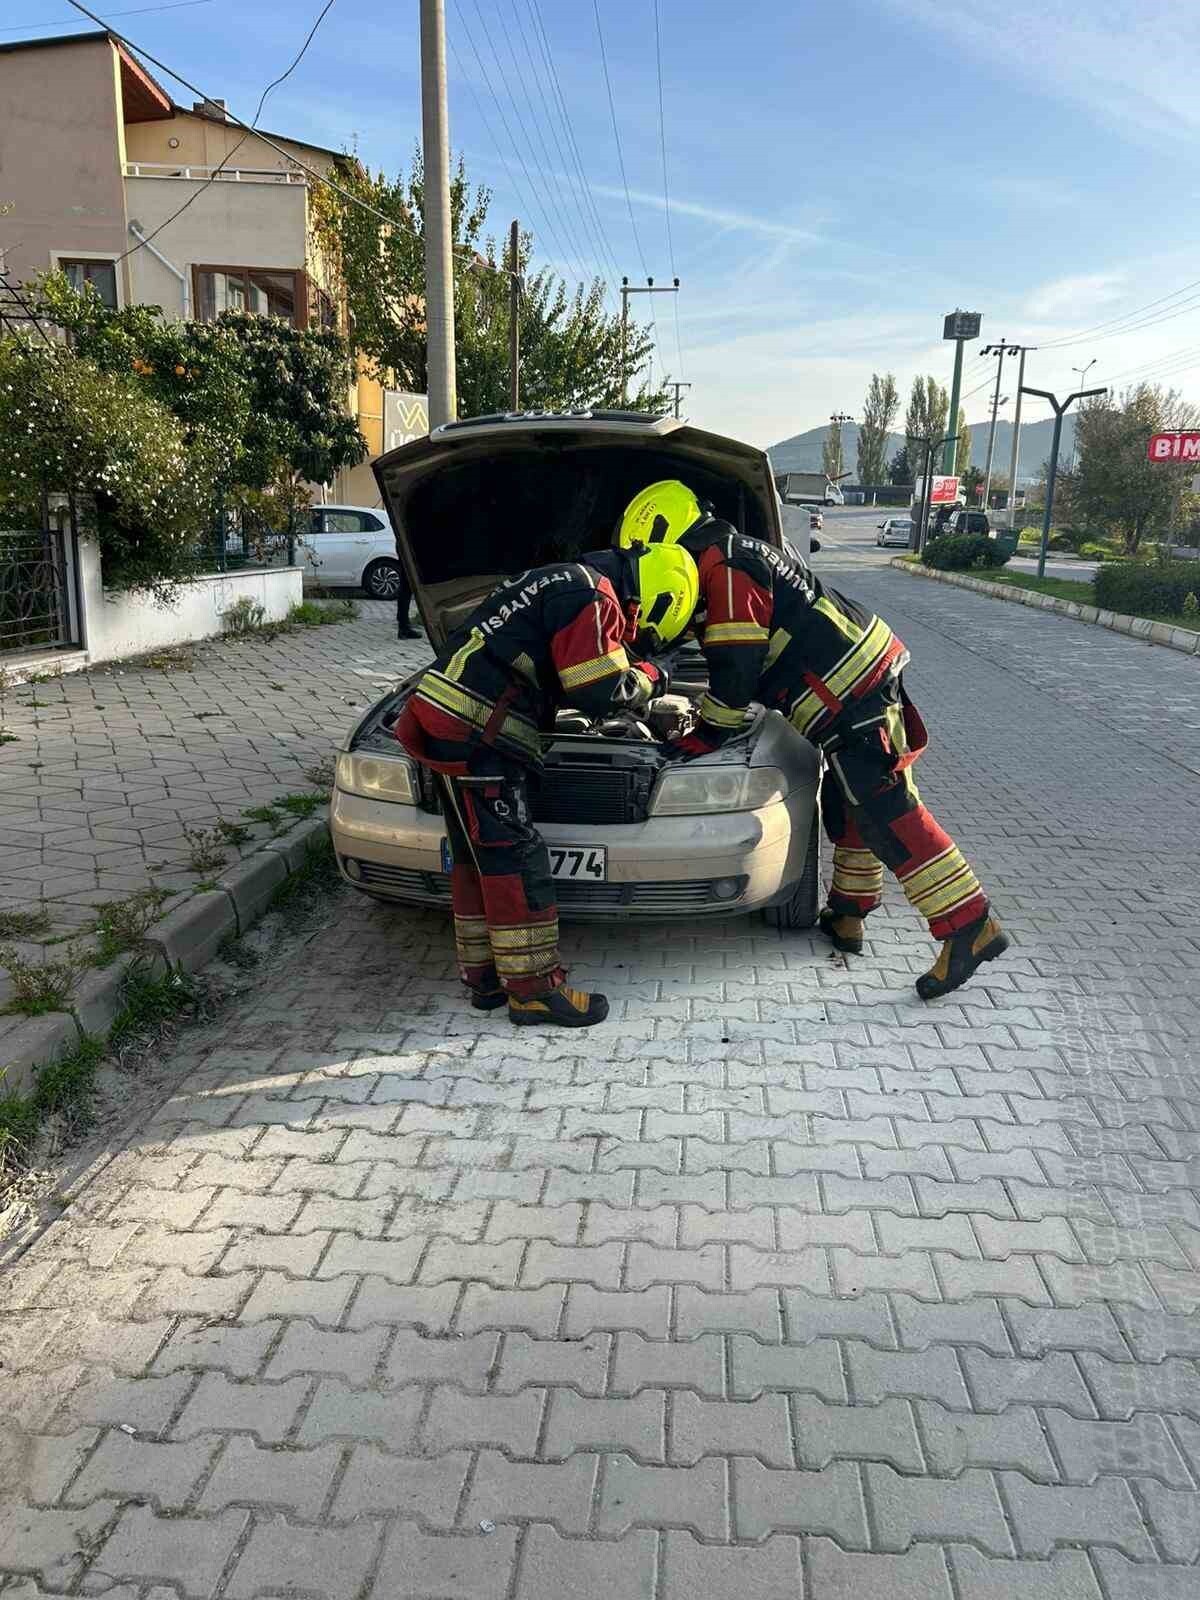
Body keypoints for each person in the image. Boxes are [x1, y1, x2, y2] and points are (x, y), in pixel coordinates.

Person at [616, 480, 1007, 1000]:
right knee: (848, 805)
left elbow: (734, 675)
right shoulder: (730, 557)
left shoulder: (727, 570)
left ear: (665, 539)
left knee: (886, 808)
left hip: (855, 693)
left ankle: (968, 924)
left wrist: (703, 736)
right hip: (858, 682)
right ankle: (848, 914)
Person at [393, 542, 699, 1026]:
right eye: (639, 627)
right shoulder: (594, 594)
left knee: (479, 856)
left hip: (443, 713)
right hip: (477, 728)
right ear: (656, 593)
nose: (631, 633)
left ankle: (485, 979)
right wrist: (654, 673)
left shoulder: (556, 578)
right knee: (515, 856)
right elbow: (600, 692)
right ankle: (534, 991)